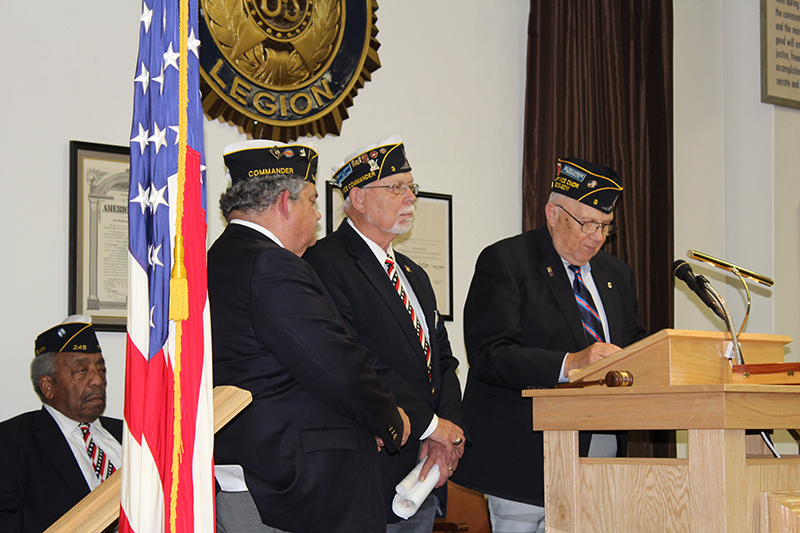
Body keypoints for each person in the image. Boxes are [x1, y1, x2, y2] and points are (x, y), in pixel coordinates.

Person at [208, 139, 410, 533]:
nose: (319, 216)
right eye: (313, 202)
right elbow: (336, 365)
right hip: (296, 492)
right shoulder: (269, 264)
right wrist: (388, 418)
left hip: (255, 475)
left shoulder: (216, 259)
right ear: (286, 201)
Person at [453, 158, 649, 532]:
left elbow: (634, 345)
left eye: (605, 226)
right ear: (552, 213)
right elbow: (488, 355)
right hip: (522, 454)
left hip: (600, 450)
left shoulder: (617, 274)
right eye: (586, 223)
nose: (596, 235)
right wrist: (570, 363)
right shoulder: (507, 262)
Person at [304, 135, 466, 532]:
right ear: (357, 198)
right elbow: (355, 359)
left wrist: (446, 433)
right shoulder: (324, 263)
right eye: (396, 187)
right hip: (368, 467)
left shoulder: (414, 273)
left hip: (423, 470)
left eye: (411, 187)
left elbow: (442, 360)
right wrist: (431, 424)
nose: (410, 197)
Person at [0, 315, 123, 533]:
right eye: (82, 371)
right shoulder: (10, 443)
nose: (97, 380)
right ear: (48, 386)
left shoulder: (131, 435)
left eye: (101, 370)